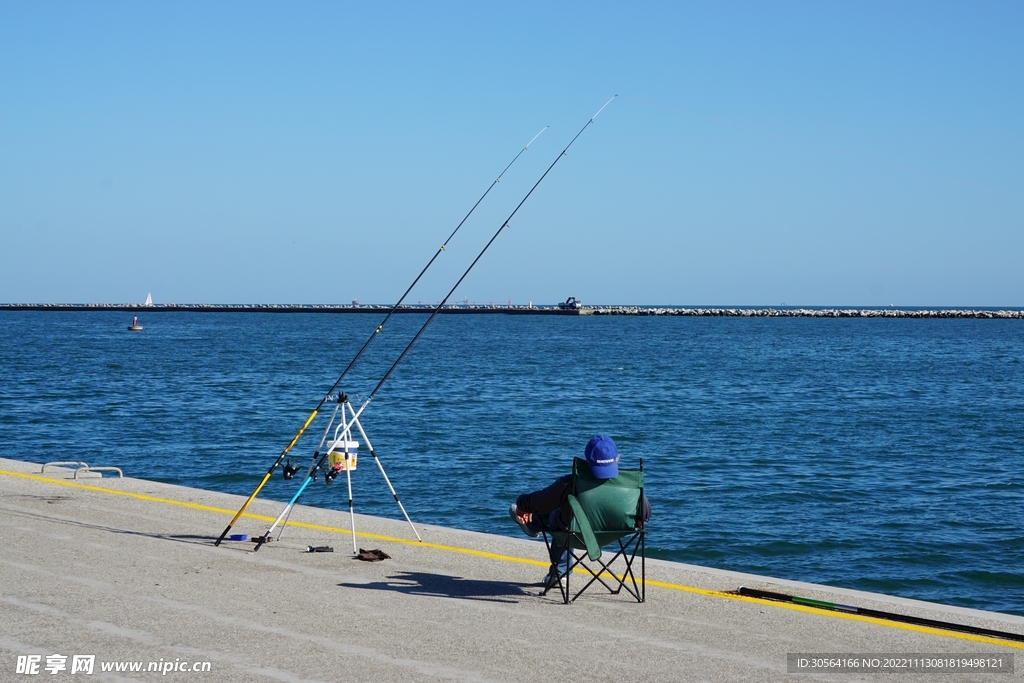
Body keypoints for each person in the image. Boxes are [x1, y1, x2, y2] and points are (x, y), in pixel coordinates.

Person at [509, 434, 651, 585]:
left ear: (587, 460)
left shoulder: (572, 483)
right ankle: (535, 526)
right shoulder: (630, 486)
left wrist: (521, 505)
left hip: (575, 534)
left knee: (560, 512)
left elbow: (541, 501)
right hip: (615, 534)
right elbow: (646, 514)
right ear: (617, 458)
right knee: (565, 511)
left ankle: (557, 568)